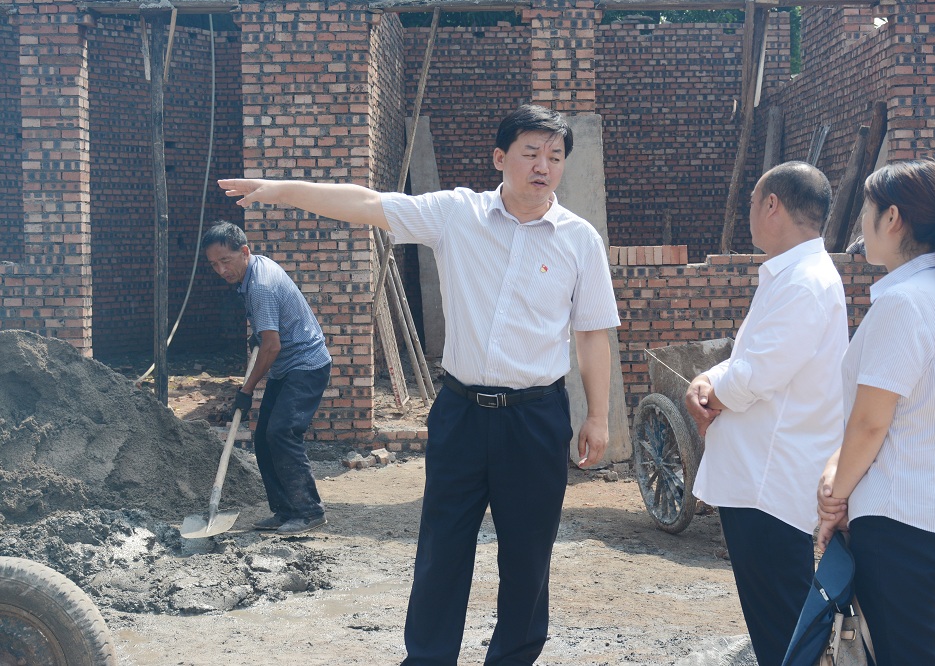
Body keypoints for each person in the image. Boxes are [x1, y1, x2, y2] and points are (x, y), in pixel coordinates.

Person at [218, 104, 621, 665]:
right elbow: (366, 203)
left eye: (554, 157)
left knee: (529, 554)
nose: (543, 166)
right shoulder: (457, 214)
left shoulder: (579, 240)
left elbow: (592, 334)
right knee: (441, 547)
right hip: (461, 413)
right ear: (500, 158)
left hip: (535, 418)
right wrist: (279, 189)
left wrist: (597, 416)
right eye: (530, 153)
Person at [817, 159, 935, 664]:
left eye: (866, 209)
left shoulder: (904, 303)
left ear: (892, 218)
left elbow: (871, 423)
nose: (861, 223)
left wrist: (834, 499)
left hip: (900, 526)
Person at [684, 161, 848, 666]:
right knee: (778, 624)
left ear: (771, 204)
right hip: (761, 477)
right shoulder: (791, 274)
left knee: (782, 628)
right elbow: (752, 356)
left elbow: (758, 374)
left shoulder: (803, 282)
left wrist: (711, 394)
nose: (750, 213)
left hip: (768, 483)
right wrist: (709, 379)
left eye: (753, 203)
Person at [202, 221, 332, 536]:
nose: (221, 270)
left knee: (282, 433)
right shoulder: (254, 270)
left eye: (225, 261)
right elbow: (270, 333)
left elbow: (272, 346)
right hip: (288, 364)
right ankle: (285, 510)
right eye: (214, 264)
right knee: (263, 438)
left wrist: (246, 390)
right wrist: (259, 335)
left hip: (306, 364)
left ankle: (309, 511)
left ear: (244, 251)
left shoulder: (259, 285)